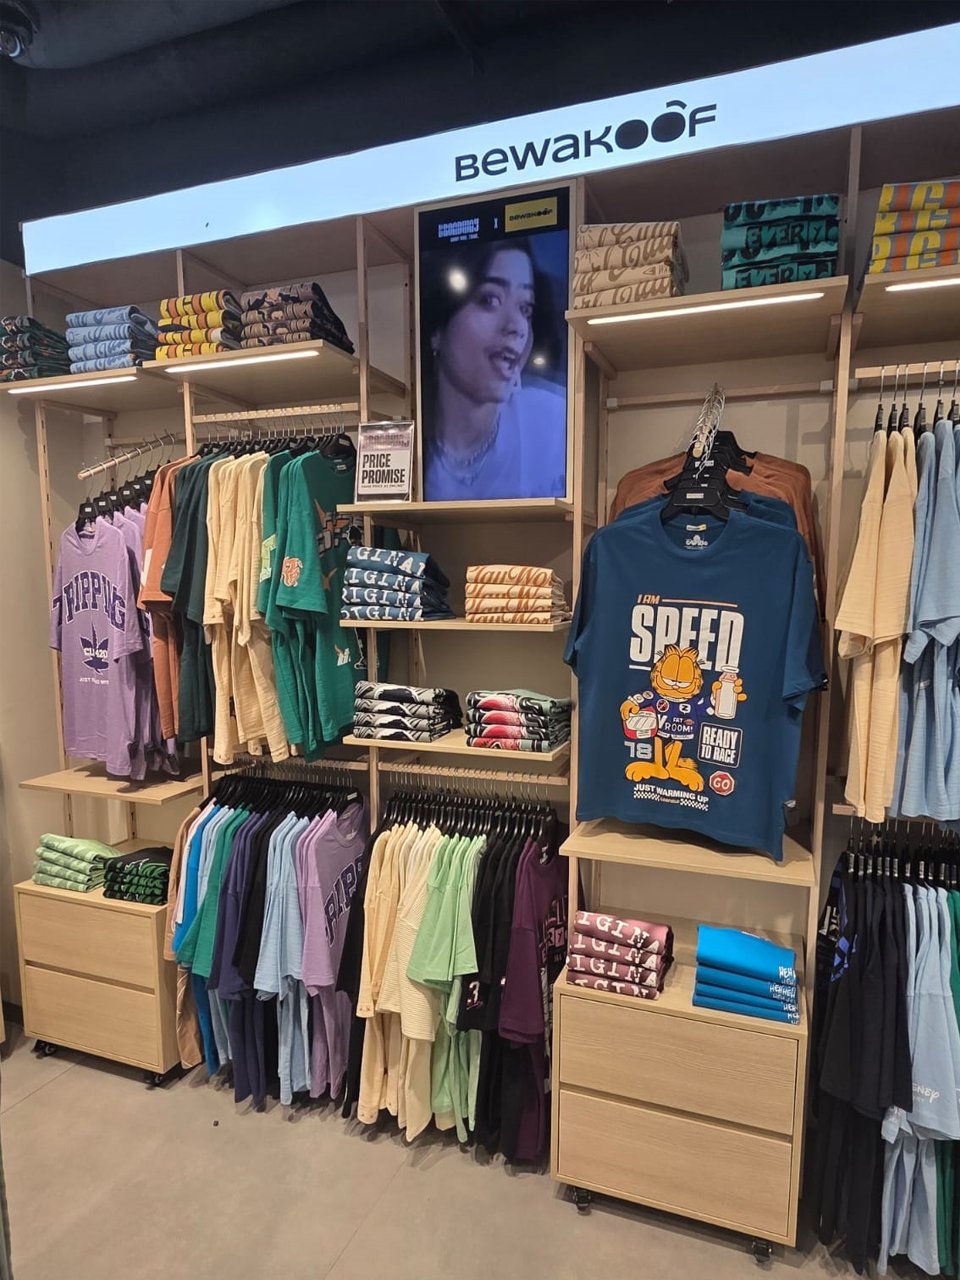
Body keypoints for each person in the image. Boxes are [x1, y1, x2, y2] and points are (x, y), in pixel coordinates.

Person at [420, 236, 567, 500]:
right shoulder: (415, 454)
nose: (516, 326)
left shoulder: (555, 422)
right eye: (490, 300)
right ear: (437, 330)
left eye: (525, 308)